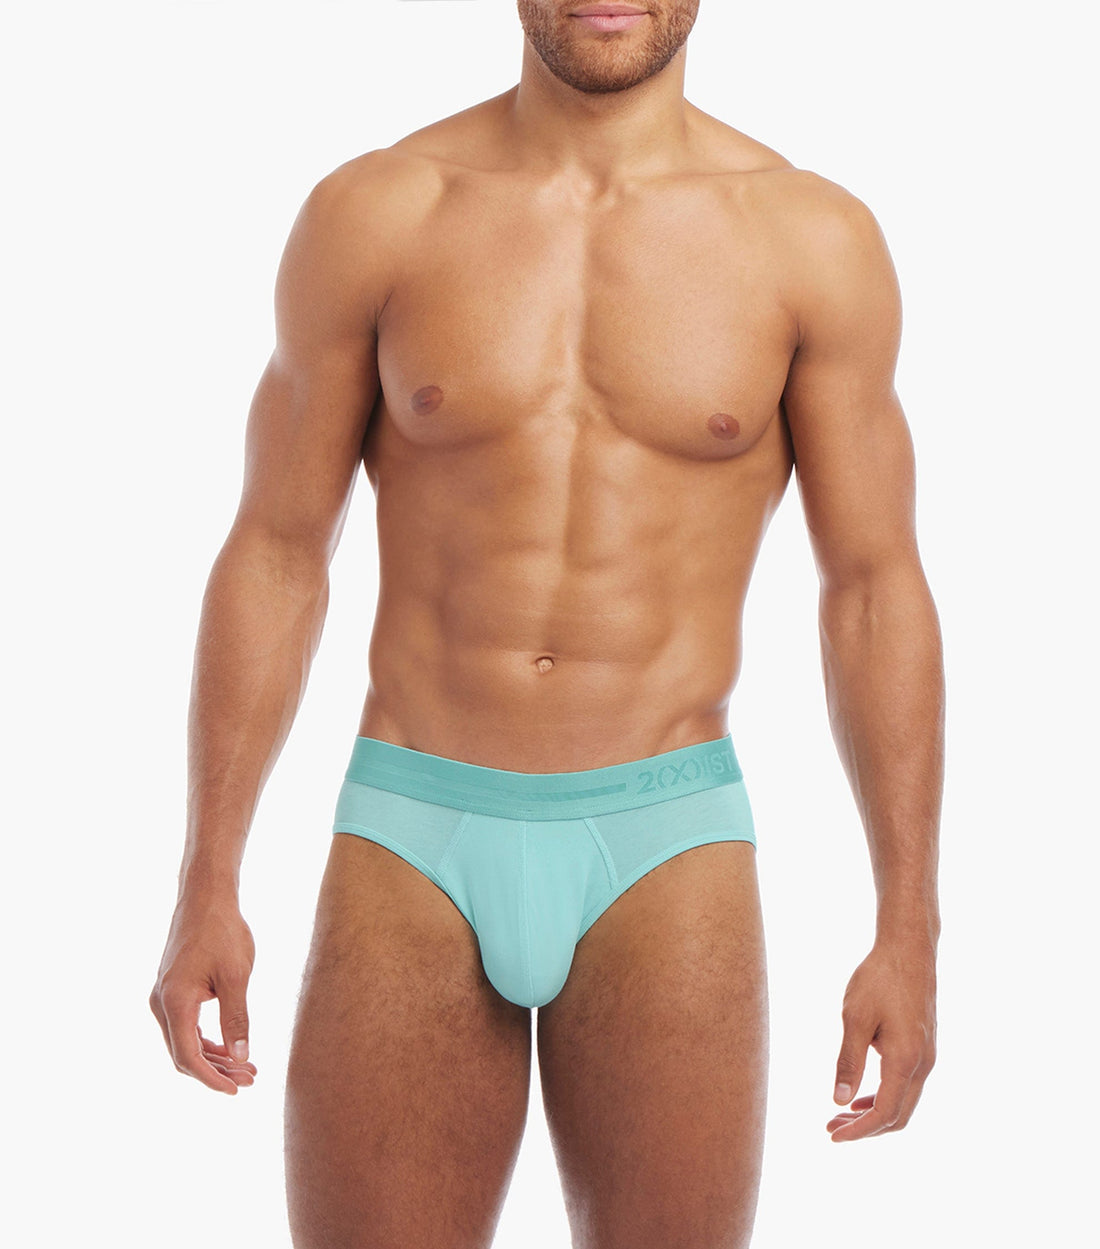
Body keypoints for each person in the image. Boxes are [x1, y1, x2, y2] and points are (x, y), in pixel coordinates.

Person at [149, 2, 944, 1245]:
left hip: (665, 839)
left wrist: (908, 927)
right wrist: (205, 878)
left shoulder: (806, 240)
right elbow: (277, 550)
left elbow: (871, 588)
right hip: (412, 828)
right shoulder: (378, 212)